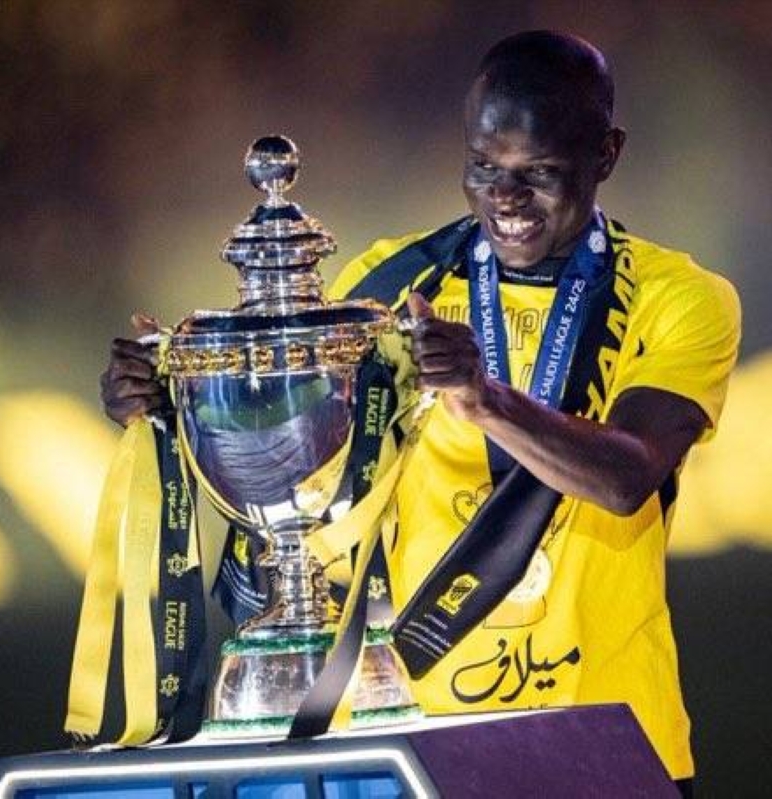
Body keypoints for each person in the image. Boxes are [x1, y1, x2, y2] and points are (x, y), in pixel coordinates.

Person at [102, 30, 739, 796]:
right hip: (416, 743)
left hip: (609, 738)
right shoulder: (393, 284)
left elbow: (627, 476)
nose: (505, 198)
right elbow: (299, 461)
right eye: (483, 167)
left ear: (605, 154)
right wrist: (174, 405)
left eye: (539, 172)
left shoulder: (682, 299)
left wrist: (485, 399)